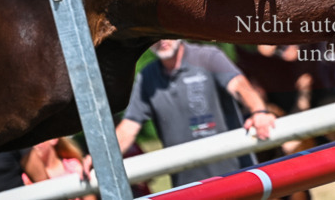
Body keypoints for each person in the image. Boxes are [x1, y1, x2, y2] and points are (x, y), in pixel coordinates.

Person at [115, 39, 277, 188]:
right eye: (153, 36)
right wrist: (104, 158)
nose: (161, 40)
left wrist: (259, 111)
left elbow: (240, 87)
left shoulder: (208, 57)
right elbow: (128, 127)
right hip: (189, 188)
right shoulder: (147, 76)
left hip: (237, 179)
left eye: (164, 34)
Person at [21, 137, 95, 200]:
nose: (33, 147)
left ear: (53, 139)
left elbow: (89, 197)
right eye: (30, 144)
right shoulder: (27, 178)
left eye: (37, 140)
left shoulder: (73, 165)